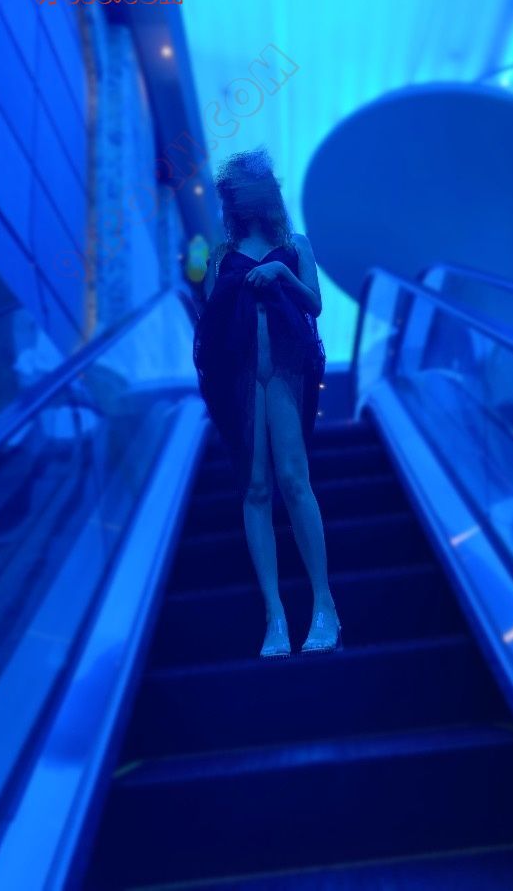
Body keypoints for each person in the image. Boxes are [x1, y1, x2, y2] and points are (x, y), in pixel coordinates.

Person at [192, 147, 342, 658]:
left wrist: (280, 275)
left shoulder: (294, 245)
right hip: (241, 375)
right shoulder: (221, 255)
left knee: (294, 479)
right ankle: (274, 612)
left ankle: (324, 602)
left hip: (285, 370)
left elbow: (314, 304)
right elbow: (211, 324)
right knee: (255, 487)